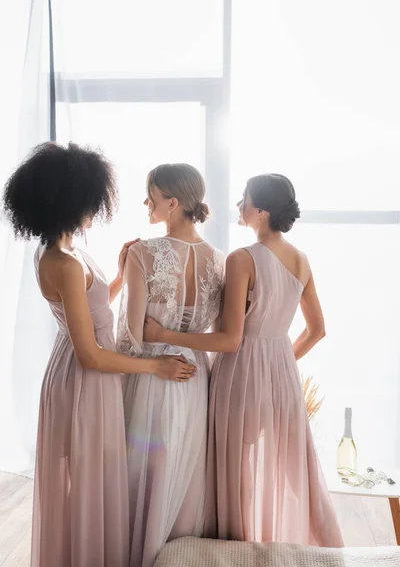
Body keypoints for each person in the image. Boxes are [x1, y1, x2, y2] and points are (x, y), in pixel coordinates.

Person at [2, 142, 194, 567]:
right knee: (90, 481)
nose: (95, 211)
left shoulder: (65, 251)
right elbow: (90, 353)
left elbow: (90, 314)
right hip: (86, 375)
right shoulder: (63, 262)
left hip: (82, 367)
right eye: (91, 202)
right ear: (72, 202)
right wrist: (156, 366)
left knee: (94, 479)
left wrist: (121, 276)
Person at [144, 173, 344, 547]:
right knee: (295, 469)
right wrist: (279, 361)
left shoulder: (243, 259)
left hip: (241, 375)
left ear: (262, 212)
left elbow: (230, 340)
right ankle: (331, 550)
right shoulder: (300, 260)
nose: (239, 205)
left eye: (245, 199)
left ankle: (237, 550)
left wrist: (163, 335)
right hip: (281, 375)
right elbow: (316, 329)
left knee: (237, 473)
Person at [117, 163, 225, 567]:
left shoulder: (144, 253)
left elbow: (131, 335)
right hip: (197, 378)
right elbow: (220, 337)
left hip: (152, 376)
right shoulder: (220, 260)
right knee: (184, 473)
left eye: (151, 195)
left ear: (173, 203)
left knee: (143, 475)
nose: (146, 202)